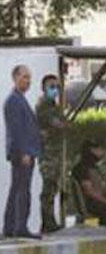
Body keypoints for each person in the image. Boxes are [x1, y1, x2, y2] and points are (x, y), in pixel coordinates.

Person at [3, 65, 42, 239]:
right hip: (22, 154)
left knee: (17, 189)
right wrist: (24, 152)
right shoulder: (13, 100)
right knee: (22, 191)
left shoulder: (20, 99)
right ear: (15, 77)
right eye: (25, 77)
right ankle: (19, 227)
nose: (28, 81)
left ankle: (10, 227)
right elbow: (17, 130)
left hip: (26, 152)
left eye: (29, 78)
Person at [36, 74, 68, 234]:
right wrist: (62, 122)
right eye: (51, 87)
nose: (55, 90)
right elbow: (59, 125)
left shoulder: (53, 106)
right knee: (48, 189)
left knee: (53, 188)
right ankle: (47, 223)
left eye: (57, 87)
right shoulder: (44, 106)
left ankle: (49, 222)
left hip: (55, 154)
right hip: (48, 155)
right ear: (44, 88)